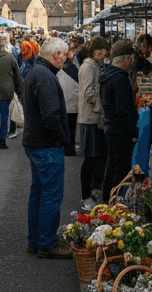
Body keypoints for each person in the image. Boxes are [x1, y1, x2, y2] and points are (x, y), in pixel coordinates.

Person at [21, 37, 76, 258]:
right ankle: (46, 243)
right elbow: (51, 117)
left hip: (34, 142)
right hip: (46, 145)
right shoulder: (46, 77)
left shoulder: (35, 73)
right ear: (56, 56)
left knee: (39, 193)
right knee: (51, 195)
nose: (65, 59)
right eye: (64, 55)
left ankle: (36, 240)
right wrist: (62, 139)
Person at [100, 40, 140, 200]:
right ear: (127, 58)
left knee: (111, 165)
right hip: (119, 131)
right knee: (120, 169)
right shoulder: (120, 79)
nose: (131, 63)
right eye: (131, 60)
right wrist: (134, 131)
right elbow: (124, 111)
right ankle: (115, 201)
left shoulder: (106, 75)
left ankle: (106, 198)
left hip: (110, 127)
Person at [77, 36, 110, 210]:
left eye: (105, 50)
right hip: (91, 119)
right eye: (101, 49)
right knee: (91, 158)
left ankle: (94, 192)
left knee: (98, 157)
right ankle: (85, 195)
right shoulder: (88, 67)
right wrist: (100, 108)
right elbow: (89, 92)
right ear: (94, 49)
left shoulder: (94, 66)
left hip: (94, 118)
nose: (103, 53)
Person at [58, 50, 80, 151]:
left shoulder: (58, 69)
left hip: (63, 103)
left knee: (63, 125)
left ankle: (64, 144)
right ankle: (71, 146)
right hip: (73, 103)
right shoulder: (75, 68)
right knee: (72, 126)